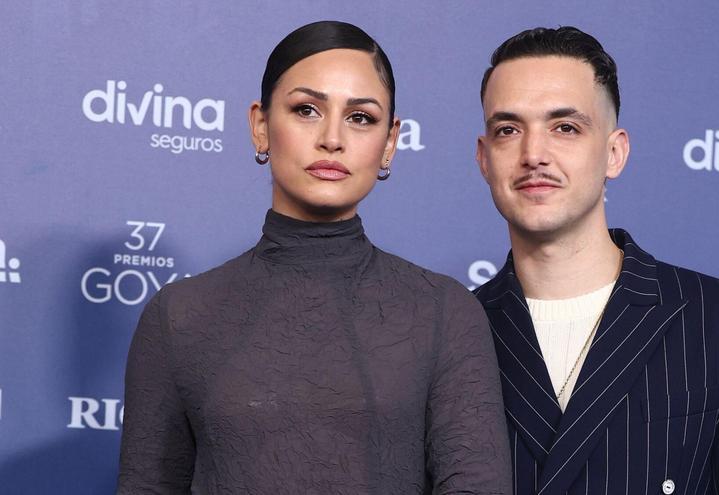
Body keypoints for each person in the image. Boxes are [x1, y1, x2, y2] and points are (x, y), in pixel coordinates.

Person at [118, 21, 511, 494]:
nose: (332, 138)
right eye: (306, 109)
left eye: (360, 117)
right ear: (260, 126)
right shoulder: (178, 316)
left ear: (390, 142)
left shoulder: (445, 312)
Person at [473, 26, 719, 494]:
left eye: (565, 127)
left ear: (614, 153)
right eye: (509, 129)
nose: (534, 154)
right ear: (484, 159)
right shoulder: (450, 329)